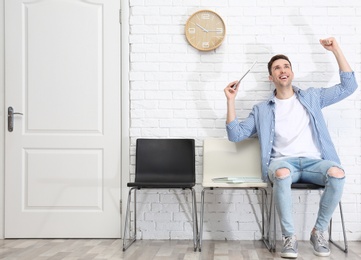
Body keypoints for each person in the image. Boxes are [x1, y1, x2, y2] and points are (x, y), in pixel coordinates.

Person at [224, 37, 358, 258]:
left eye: (286, 66)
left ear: (292, 73)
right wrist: (231, 100)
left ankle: (318, 231)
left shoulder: (312, 97)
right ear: (271, 77)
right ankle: (289, 237)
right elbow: (235, 134)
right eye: (277, 68)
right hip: (283, 163)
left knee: (338, 173)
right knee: (282, 173)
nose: (282, 70)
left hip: (315, 162)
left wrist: (335, 49)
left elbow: (349, 86)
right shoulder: (262, 109)